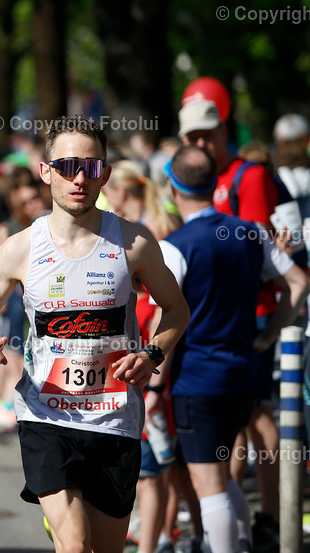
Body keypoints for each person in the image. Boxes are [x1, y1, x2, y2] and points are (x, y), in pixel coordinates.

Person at [0, 115, 190, 553]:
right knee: (74, 543)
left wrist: (151, 354)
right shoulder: (19, 249)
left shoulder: (134, 243)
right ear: (46, 171)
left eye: (92, 166)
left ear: (105, 171)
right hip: (46, 417)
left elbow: (177, 308)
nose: (80, 178)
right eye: (67, 166)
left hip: (114, 417)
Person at [156, 146, 309, 552]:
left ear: (173, 187)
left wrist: (152, 381)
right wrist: (270, 334)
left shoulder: (174, 245)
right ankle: (241, 544)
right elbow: (298, 282)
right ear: (216, 183)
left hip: (196, 379)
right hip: (242, 372)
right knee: (221, 478)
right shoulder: (250, 232)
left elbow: (166, 321)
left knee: (208, 486)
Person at [178, 100, 289, 542]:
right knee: (225, 454)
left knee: (258, 419)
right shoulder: (211, 180)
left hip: (245, 322)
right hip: (228, 333)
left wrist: (272, 330)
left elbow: (265, 249)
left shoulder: (250, 175)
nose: (202, 142)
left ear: (225, 130)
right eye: (193, 137)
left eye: (209, 133)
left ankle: (271, 519)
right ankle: (244, 524)